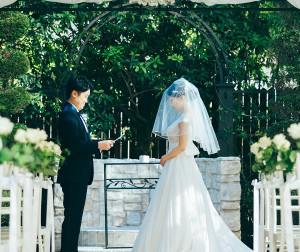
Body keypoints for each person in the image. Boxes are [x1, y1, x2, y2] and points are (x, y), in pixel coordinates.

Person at [132, 78, 252, 252]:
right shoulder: (182, 117)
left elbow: (182, 146)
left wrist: (165, 157)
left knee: (180, 202)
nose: (170, 103)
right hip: (177, 165)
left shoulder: (185, 119)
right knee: (171, 203)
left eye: (172, 99)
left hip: (179, 164)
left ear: (181, 96)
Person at [57, 75, 114, 252]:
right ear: (74, 93)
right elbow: (74, 145)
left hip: (77, 175)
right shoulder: (68, 114)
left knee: (74, 218)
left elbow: (79, 141)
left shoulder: (72, 113)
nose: (86, 101)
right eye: (85, 96)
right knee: (72, 218)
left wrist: (96, 143)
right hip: (74, 174)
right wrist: (97, 145)